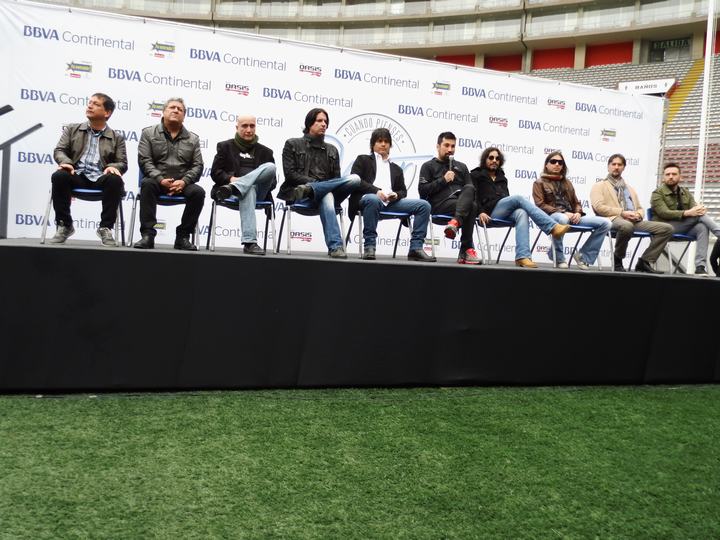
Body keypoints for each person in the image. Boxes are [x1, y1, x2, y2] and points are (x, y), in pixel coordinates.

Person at [278, 108, 361, 259]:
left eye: (325, 122)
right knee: (327, 194)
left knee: (355, 179)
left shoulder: (332, 150)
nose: (324, 124)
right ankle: (335, 247)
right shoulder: (292, 144)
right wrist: (315, 183)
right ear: (309, 123)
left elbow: (336, 180)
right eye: (319, 121)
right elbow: (290, 175)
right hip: (300, 195)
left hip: (325, 194)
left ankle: (312, 189)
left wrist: (317, 187)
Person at [471, 147, 571, 268]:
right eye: (491, 158)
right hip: (486, 213)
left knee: (522, 212)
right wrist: (480, 212)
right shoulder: (476, 175)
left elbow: (505, 198)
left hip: (500, 211)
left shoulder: (502, 178)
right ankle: (552, 227)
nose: (494, 160)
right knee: (518, 198)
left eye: (497, 158)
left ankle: (522, 256)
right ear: (485, 159)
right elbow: (473, 197)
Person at [49, 92, 126, 246]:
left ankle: (105, 227)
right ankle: (65, 224)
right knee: (59, 176)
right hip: (76, 174)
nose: (90, 106)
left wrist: (112, 167)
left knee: (115, 180)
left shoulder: (117, 137)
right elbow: (60, 150)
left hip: (100, 177)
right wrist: (66, 162)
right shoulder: (72, 129)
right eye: (89, 102)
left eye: (96, 104)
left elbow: (122, 162)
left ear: (107, 112)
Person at [349, 128, 435, 262]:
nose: (383, 144)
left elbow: (403, 191)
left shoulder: (396, 168)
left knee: (424, 205)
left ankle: (416, 248)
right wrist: (376, 191)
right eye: (379, 141)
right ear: (372, 144)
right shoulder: (363, 160)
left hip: (390, 203)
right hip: (367, 200)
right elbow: (356, 181)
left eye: (386, 141)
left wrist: (396, 195)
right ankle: (369, 246)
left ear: (390, 145)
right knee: (373, 199)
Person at [134, 97, 205, 250]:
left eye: (180, 109)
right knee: (147, 184)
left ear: (184, 116)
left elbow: (198, 165)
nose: (176, 111)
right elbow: (145, 160)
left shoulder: (193, 139)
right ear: (164, 111)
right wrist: (160, 179)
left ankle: (183, 237)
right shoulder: (148, 133)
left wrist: (184, 181)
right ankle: (148, 235)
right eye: (172, 107)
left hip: (182, 183)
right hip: (157, 181)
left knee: (198, 193)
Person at [590, 153, 672, 273]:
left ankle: (644, 262)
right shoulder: (599, 186)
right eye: (613, 164)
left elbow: (639, 208)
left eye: (620, 165)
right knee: (626, 226)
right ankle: (618, 259)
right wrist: (622, 213)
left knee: (667, 229)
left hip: (633, 221)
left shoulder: (629, 188)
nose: (616, 167)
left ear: (624, 168)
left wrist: (638, 215)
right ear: (608, 167)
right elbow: (598, 207)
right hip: (611, 220)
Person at [210, 115, 276, 255]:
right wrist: (231, 179)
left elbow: (273, 181)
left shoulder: (266, 152)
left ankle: (239, 186)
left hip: (259, 193)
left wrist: (244, 182)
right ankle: (250, 243)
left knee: (270, 167)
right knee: (248, 189)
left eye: (252, 126)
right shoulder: (225, 147)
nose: (249, 129)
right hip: (230, 192)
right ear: (237, 127)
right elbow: (215, 173)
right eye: (244, 126)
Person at [532, 151, 611, 270]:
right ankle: (559, 258)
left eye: (560, 162)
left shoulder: (567, 182)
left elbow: (576, 202)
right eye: (553, 161)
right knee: (562, 219)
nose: (557, 164)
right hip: (552, 217)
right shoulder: (539, 183)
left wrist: (578, 213)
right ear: (546, 165)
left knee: (606, 223)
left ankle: (583, 256)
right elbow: (540, 205)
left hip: (572, 216)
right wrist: (563, 213)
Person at [418, 132, 480, 264]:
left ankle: (455, 222)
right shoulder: (428, 166)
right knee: (471, 207)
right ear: (438, 146)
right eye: (446, 145)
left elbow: (471, 191)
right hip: (439, 205)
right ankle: (466, 250)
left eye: (453, 146)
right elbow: (422, 191)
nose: (450, 149)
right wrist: (443, 180)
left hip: (459, 205)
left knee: (470, 191)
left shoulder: (462, 167)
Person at [650, 162, 720, 277]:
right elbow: (664, 213)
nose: (671, 177)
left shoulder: (685, 192)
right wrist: (688, 212)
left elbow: (695, 208)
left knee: (702, 227)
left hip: (682, 227)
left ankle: (700, 267)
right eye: (667, 174)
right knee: (698, 216)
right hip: (664, 228)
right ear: (663, 177)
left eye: (674, 174)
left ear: (680, 176)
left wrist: (700, 208)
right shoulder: (657, 193)